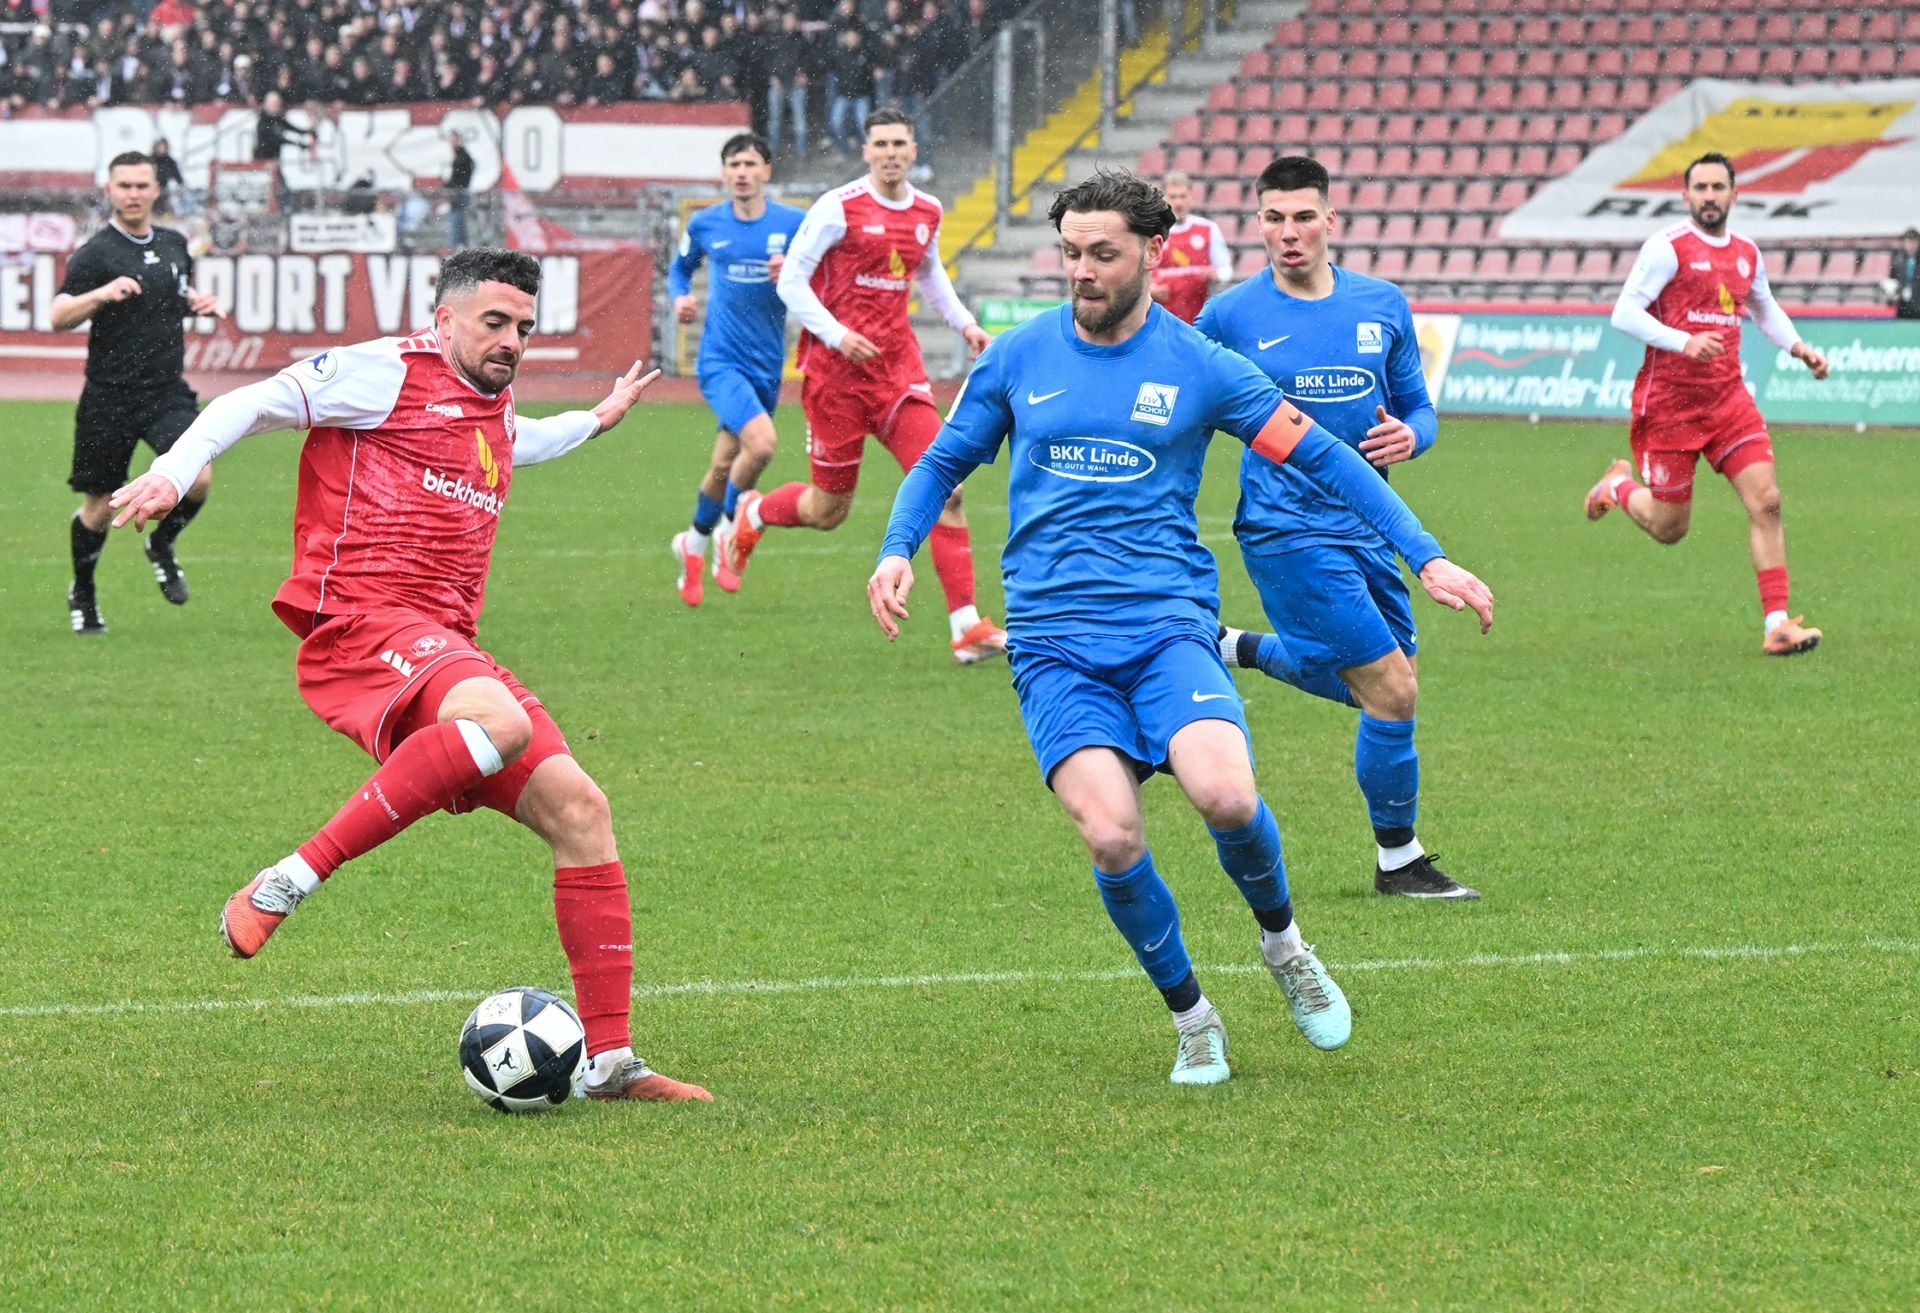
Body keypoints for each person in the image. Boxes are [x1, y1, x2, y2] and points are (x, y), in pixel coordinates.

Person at [866, 170, 1496, 1084]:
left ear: (1154, 253)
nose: (1081, 271)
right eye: (1071, 252)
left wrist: (1425, 553)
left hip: (1166, 628)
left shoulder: (1200, 365)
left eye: (1103, 254)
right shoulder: (1017, 356)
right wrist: (897, 547)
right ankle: (1194, 1017)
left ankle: (1285, 950)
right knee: (1114, 835)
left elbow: (1323, 456)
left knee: (1226, 797)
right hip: (1053, 644)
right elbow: (941, 462)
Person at [107, 248, 710, 1104]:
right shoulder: (385, 372)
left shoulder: (494, 408)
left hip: (442, 641)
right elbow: (257, 398)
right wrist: (171, 469)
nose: (510, 341)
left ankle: (610, 1060)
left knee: (582, 809)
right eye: (494, 322)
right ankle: (289, 877)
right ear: (446, 317)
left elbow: (525, 442)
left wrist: (600, 417)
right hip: (361, 622)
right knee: (498, 722)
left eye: (525, 328)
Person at [1198, 156, 1477, 901]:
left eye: (1303, 217)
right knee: (1390, 688)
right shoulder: (1228, 316)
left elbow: (1420, 409)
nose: (1289, 233)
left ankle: (1236, 646)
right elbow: (1180, 393)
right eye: (1274, 218)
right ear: (1259, 224)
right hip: (1285, 529)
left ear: (1332, 220)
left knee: (1386, 688)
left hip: (1369, 526)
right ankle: (1400, 860)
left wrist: (1414, 438)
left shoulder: (1381, 304)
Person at [740, 108, 1006, 664]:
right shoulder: (839, 207)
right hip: (835, 379)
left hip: (897, 375)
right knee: (827, 510)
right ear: (867, 151)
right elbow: (792, 278)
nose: (890, 152)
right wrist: (836, 334)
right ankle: (756, 512)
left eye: (899, 143)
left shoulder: (927, 211)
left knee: (947, 484)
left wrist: (966, 324)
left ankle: (965, 627)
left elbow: (929, 273)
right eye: (880, 143)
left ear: (913, 150)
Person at [1585, 152, 1831, 657]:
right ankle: (1617, 482)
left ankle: (1778, 623)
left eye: (1719, 187)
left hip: (1728, 401)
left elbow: (1764, 307)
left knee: (1767, 500)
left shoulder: (1746, 252)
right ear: (1686, 196)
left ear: (1735, 195)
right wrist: (1681, 341)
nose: (1710, 196)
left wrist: (1798, 347)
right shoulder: (1668, 248)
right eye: (1701, 188)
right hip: (1671, 405)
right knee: (1670, 529)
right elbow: (1624, 313)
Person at [52, 150, 224, 635]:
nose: (132, 193)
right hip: (108, 396)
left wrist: (198, 304)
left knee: (199, 479)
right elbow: (58, 315)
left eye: (141, 185)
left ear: (155, 190)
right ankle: (83, 592)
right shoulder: (95, 254)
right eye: (123, 185)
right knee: (101, 505)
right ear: (108, 190)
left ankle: (161, 545)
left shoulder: (174, 243)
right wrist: (100, 295)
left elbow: (176, 293)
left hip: (165, 392)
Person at [666, 132, 806, 605]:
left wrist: (792, 271)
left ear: (767, 171)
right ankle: (731, 528)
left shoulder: (794, 224)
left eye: (750, 163)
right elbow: (680, 268)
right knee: (762, 445)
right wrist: (680, 297)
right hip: (721, 360)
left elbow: (819, 275)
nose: (741, 172)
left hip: (768, 364)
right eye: (733, 165)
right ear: (724, 173)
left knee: (725, 463)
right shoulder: (707, 223)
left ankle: (694, 543)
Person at [1151, 171, 1233, 324]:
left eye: (1183, 196)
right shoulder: (1152, 231)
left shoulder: (1207, 228)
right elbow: (1139, 270)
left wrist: (1217, 275)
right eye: (1173, 197)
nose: (1178, 203)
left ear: (1191, 198)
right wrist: (1149, 289)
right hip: (1161, 316)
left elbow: (1226, 269)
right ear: (1163, 199)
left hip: (1199, 314)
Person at [445, 130, 475, 249]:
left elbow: (460, 174)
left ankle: (458, 245)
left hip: (459, 192)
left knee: (458, 220)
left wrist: (454, 185)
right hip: (458, 192)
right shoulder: (460, 155)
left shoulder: (461, 156)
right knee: (458, 219)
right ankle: (460, 245)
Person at [1890, 228, 1920, 320]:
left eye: (1914, 242)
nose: (1911, 245)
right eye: (1909, 242)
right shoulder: (1897, 261)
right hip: (1902, 305)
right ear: (1904, 243)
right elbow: (1892, 280)